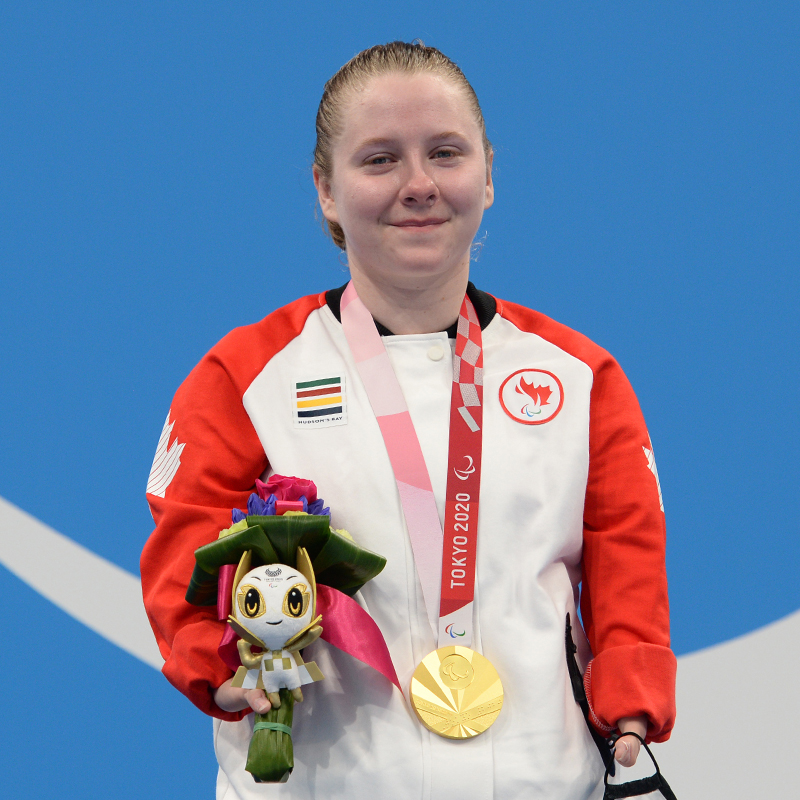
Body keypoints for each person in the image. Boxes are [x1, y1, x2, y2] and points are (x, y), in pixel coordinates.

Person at [141, 41, 676, 800]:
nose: (418, 184)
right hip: (323, 784)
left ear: (488, 174)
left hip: (541, 778)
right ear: (326, 190)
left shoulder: (578, 376)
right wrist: (218, 666)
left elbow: (626, 555)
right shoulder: (247, 375)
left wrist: (629, 698)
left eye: (446, 153)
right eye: (381, 159)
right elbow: (185, 547)